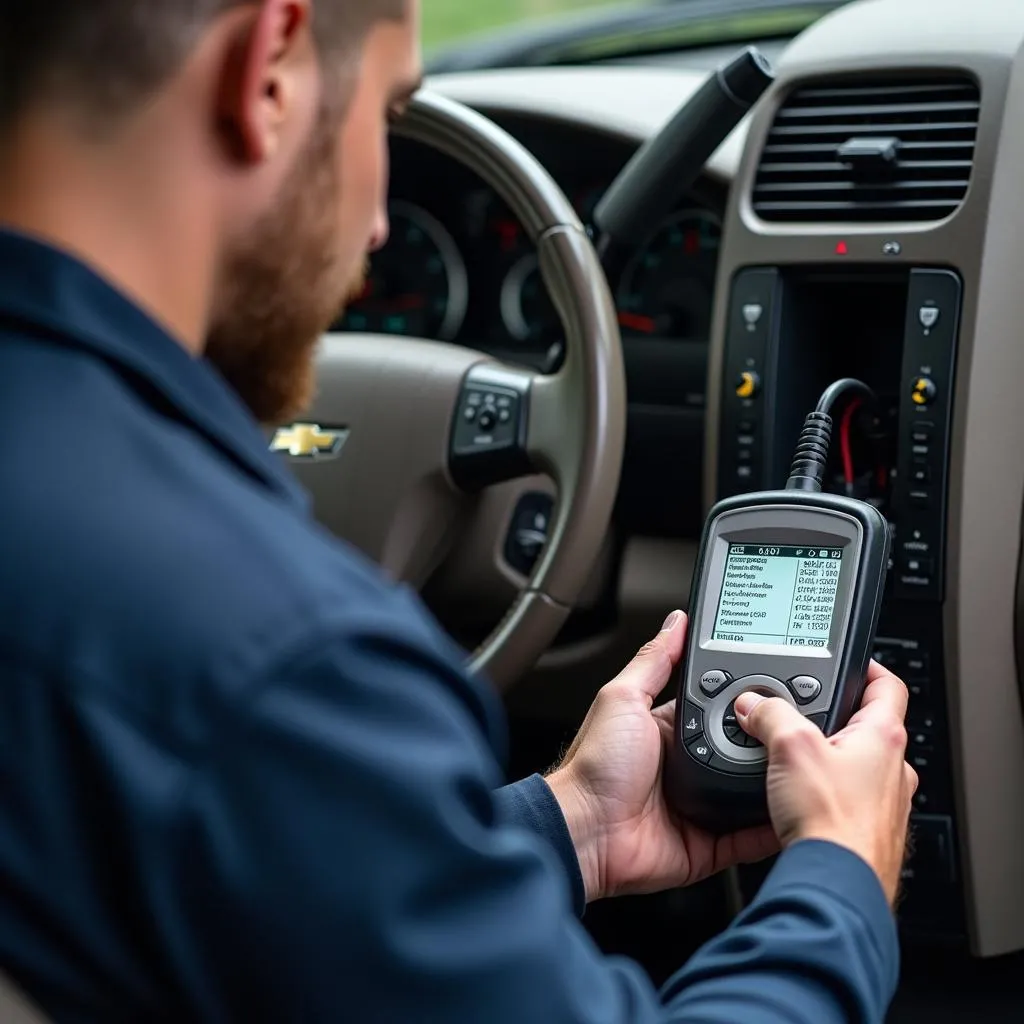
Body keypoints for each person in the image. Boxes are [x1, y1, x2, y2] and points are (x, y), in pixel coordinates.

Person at [0, 1, 917, 1021]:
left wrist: (567, 824)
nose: (382, 226)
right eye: (388, 118)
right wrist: (840, 873)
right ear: (268, 70)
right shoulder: (282, 661)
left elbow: (261, 874)